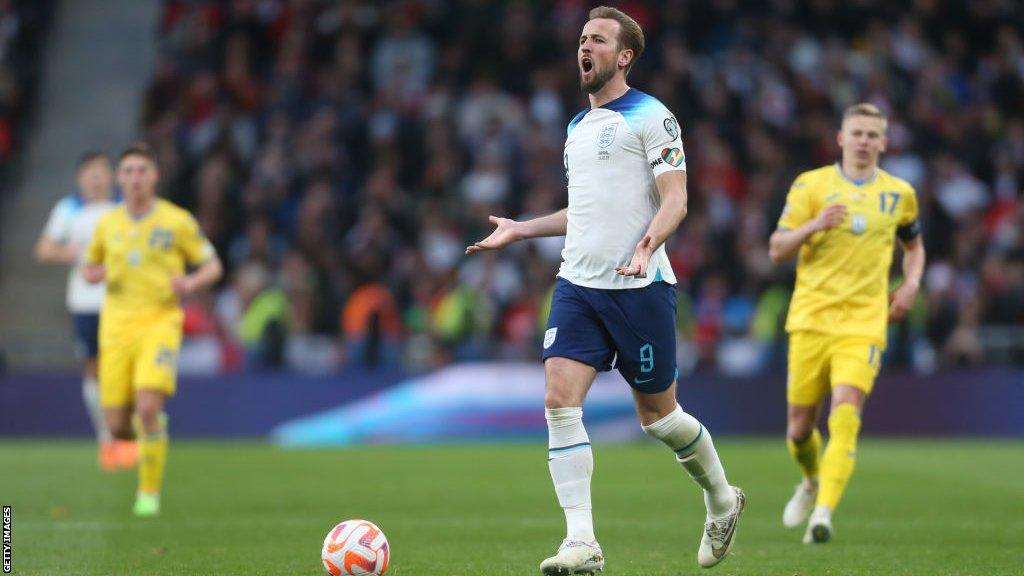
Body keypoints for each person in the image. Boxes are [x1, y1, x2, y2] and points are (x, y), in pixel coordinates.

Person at [467, 7, 744, 573]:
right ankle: (581, 543)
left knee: (660, 419)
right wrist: (523, 228)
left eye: (597, 39)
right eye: (581, 38)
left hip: (638, 287)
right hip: (578, 286)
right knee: (558, 401)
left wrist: (648, 245)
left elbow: (676, 198)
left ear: (624, 56)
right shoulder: (576, 128)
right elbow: (586, 212)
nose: (584, 46)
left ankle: (721, 498)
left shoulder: (653, 117)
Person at [768, 103, 925, 543]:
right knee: (799, 429)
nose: (864, 141)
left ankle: (823, 513)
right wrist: (814, 225)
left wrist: (911, 283)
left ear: (884, 143)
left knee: (845, 415)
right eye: (857, 132)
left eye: (872, 135)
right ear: (841, 138)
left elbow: (914, 246)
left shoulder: (899, 194)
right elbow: (777, 248)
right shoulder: (811, 185)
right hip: (811, 319)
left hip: (864, 323)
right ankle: (812, 478)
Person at [83, 143, 223, 516]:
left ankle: (148, 493)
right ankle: (147, 428)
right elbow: (88, 267)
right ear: (119, 177)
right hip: (115, 328)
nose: (135, 178)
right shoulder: (107, 224)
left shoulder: (177, 221)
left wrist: (190, 285)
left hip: (160, 323)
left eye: (142, 170)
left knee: (146, 405)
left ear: (155, 175)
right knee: (116, 425)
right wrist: (94, 274)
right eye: (127, 171)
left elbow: (212, 266)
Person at [35, 151, 136, 471]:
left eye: (101, 172)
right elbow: (44, 248)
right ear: (80, 178)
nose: (95, 178)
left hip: (123, 301)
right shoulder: (69, 209)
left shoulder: (125, 207)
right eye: (89, 173)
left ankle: (127, 435)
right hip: (84, 302)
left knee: (124, 369)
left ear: (112, 176)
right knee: (94, 369)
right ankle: (107, 438)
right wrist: (75, 253)